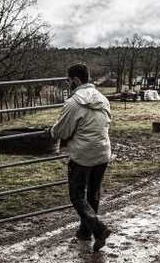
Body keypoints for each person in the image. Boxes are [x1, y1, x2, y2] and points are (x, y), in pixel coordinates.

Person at [45, 63, 113, 251]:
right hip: (103, 152)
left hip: (83, 155)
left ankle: (98, 228)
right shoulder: (103, 99)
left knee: (77, 195)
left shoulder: (73, 103)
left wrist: (49, 132)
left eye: (68, 81)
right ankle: (85, 232)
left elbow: (62, 131)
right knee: (93, 193)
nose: (68, 84)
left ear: (75, 80)